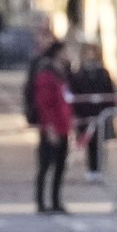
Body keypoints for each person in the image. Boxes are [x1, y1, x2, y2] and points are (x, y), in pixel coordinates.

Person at [33, 41, 72, 214]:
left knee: (60, 166)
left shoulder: (61, 73)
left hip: (63, 126)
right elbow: (44, 104)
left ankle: (56, 200)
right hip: (51, 128)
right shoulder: (46, 75)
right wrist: (49, 128)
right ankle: (41, 202)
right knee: (45, 166)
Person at [69, 43, 116, 183]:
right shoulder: (79, 74)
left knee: (100, 142)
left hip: (101, 113)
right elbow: (75, 92)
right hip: (85, 113)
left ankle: (99, 168)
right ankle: (91, 169)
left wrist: (108, 108)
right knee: (88, 141)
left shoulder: (103, 73)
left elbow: (110, 91)